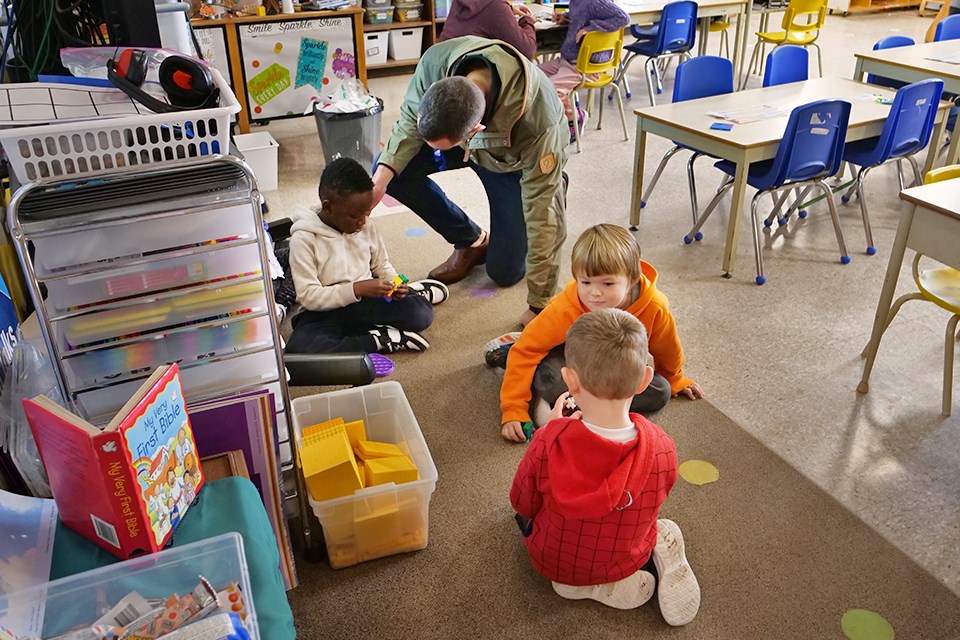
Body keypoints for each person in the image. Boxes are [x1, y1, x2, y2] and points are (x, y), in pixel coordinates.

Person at [509, 309, 700, 624]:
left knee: (526, 516)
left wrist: (553, 430)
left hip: (553, 561)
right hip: (626, 554)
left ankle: (577, 584)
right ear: (645, 380)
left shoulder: (546, 443)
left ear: (569, 381)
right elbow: (656, 498)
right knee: (646, 517)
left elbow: (522, 502)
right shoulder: (662, 446)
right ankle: (643, 555)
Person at [373, 36, 569, 326]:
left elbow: (545, 219)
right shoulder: (435, 62)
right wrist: (381, 179)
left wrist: (541, 305)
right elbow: (407, 124)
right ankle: (472, 240)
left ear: (475, 130)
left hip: (512, 164)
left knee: (505, 272)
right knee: (389, 170)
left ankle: (554, 182)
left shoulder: (540, 123)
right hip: (466, 145)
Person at [494, 224, 703, 443]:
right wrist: (514, 407)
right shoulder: (566, 307)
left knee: (660, 391)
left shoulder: (655, 306)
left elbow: (667, 346)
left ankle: (570, 403)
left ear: (631, 279)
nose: (594, 293)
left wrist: (675, 376)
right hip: (566, 359)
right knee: (551, 375)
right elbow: (528, 350)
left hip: (611, 366)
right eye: (585, 282)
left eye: (607, 283)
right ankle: (511, 356)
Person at [286, 158, 450, 355]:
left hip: (366, 300)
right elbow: (308, 296)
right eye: (355, 216)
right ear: (328, 207)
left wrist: (394, 283)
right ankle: (379, 340)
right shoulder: (303, 240)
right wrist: (355, 289)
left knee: (420, 315)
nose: (362, 221)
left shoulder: (367, 227)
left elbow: (382, 266)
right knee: (299, 350)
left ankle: (413, 292)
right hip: (323, 311)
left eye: (366, 212)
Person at [538, 0, 629, 140]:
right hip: (568, 60)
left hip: (583, 67)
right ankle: (545, 123)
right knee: (533, 75)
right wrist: (566, 18)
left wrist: (590, 28)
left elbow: (623, 17)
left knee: (553, 89)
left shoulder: (594, 2)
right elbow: (582, 17)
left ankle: (575, 117)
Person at [438, 0, 539, 60]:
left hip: (442, 72)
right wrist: (528, 21)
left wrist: (508, 9)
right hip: (465, 79)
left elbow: (481, 14)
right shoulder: (495, 6)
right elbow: (527, 51)